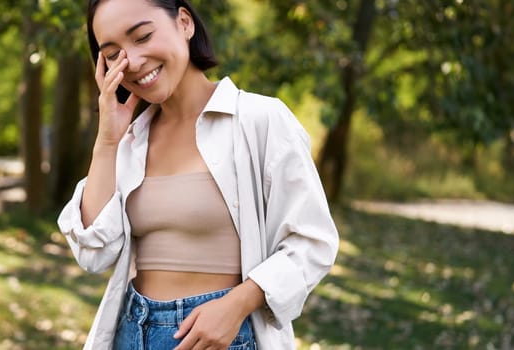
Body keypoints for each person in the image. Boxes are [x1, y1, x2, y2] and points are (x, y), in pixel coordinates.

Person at [57, 0, 340, 348]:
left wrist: (237, 305)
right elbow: (93, 253)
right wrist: (108, 139)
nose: (131, 61)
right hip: (131, 332)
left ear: (185, 23)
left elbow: (312, 241)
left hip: (224, 336)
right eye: (113, 54)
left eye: (143, 36)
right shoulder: (130, 142)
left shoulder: (259, 120)